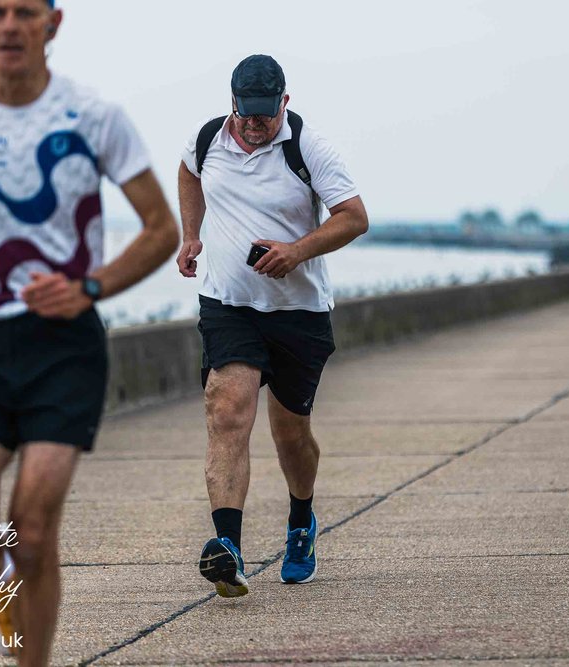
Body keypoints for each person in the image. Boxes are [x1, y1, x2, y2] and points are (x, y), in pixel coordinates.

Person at [0, 1, 179, 663]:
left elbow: (163, 228)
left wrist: (92, 286)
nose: (12, 25)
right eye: (0, 12)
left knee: (35, 532)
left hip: (63, 346)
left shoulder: (94, 116)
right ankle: (0, 579)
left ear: (54, 24)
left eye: (26, 12)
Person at [177, 54, 368, 597]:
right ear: (231, 101)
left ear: (284, 101)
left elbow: (354, 217)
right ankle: (228, 549)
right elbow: (188, 172)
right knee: (227, 406)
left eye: (266, 113)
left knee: (290, 433)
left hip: (299, 314)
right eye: (246, 113)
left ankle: (302, 521)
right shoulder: (209, 137)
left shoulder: (309, 148)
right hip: (229, 306)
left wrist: (295, 251)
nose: (255, 124)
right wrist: (191, 235)